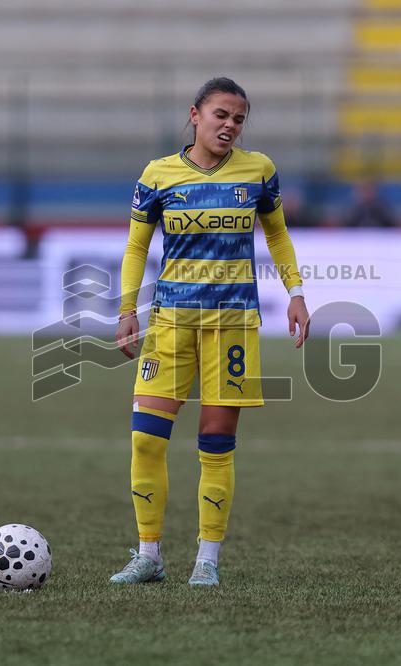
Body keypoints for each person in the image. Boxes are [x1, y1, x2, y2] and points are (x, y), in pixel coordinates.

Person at [110, 77, 309, 587]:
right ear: (195, 114)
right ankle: (149, 554)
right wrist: (126, 308)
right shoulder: (158, 175)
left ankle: (207, 560)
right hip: (170, 322)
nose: (230, 126)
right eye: (221, 114)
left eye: (239, 119)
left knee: (216, 440)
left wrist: (296, 293)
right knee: (146, 440)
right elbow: (136, 248)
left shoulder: (258, 171)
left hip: (233, 325)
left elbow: (278, 233)